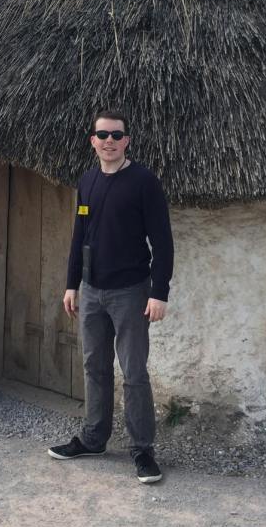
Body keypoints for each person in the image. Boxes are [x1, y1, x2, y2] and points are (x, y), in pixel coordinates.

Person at [48, 110, 174, 484]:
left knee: (134, 373)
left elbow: (163, 242)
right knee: (94, 366)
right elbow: (79, 236)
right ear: (93, 141)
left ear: (126, 141)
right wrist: (72, 284)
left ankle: (142, 450)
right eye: (102, 135)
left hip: (131, 292)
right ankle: (93, 439)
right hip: (91, 292)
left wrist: (159, 292)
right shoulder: (87, 181)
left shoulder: (144, 182)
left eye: (117, 135)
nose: (109, 141)